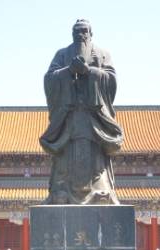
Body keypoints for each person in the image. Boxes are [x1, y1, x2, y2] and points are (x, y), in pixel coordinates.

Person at [40, 19, 124, 205]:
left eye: (84, 31)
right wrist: (68, 71)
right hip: (68, 119)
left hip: (94, 120)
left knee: (96, 164)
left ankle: (101, 191)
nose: (80, 34)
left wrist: (89, 72)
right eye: (77, 31)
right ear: (72, 34)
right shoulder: (62, 55)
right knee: (64, 162)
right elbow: (49, 80)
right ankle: (61, 192)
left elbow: (111, 80)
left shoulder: (103, 54)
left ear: (90, 33)